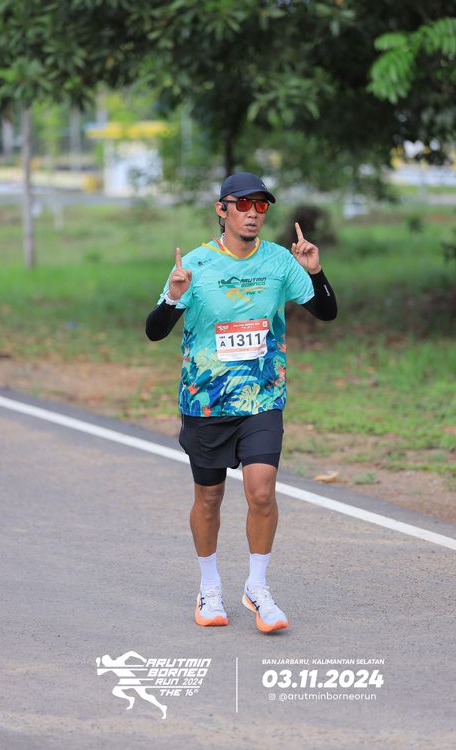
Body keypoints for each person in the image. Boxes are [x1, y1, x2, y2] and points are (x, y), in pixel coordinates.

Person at [146, 172, 337, 634]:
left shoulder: (279, 261)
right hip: (207, 401)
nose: (253, 214)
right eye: (243, 204)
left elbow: (326, 311)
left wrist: (314, 271)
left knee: (262, 492)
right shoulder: (195, 264)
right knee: (209, 498)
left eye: (261, 206)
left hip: (262, 396)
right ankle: (209, 587)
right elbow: (154, 330)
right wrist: (172, 297)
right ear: (222, 209)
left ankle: (257, 587)